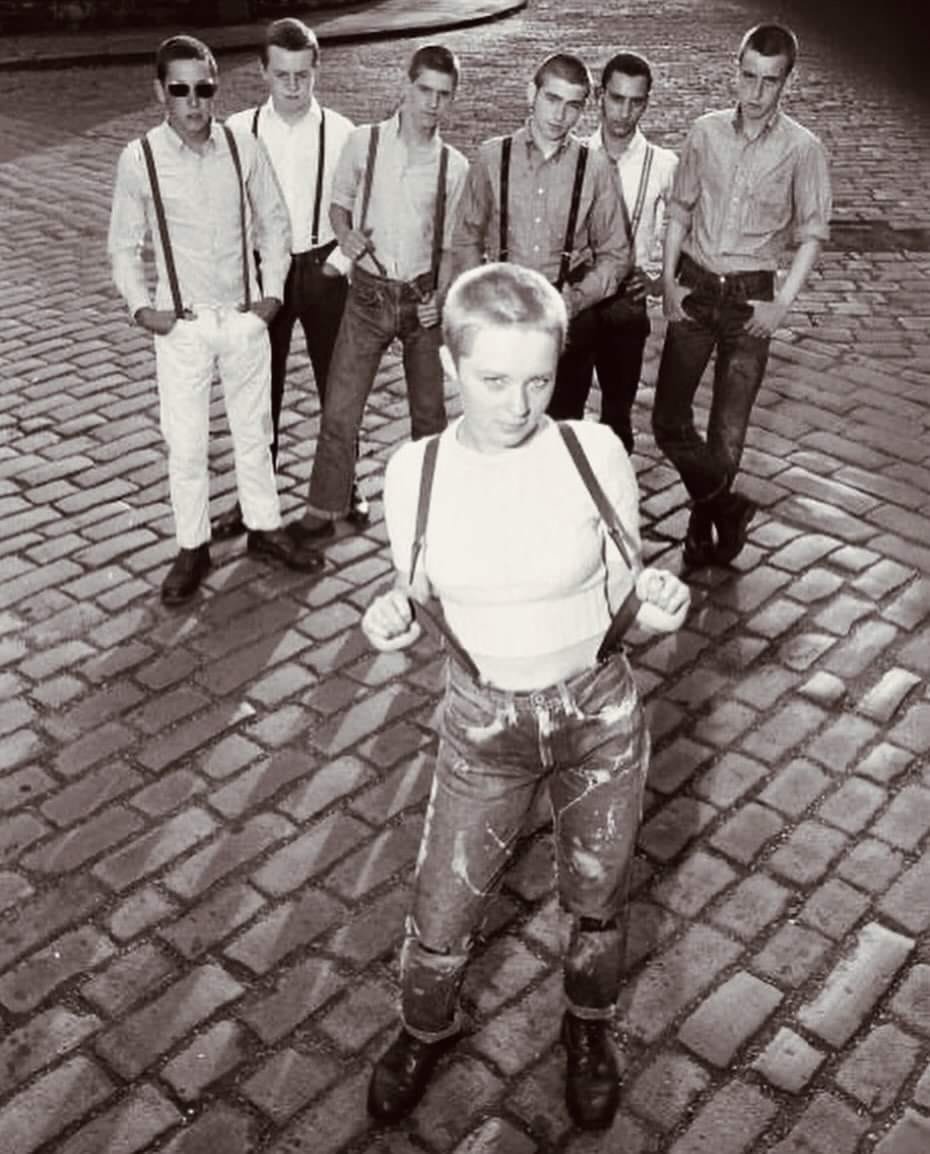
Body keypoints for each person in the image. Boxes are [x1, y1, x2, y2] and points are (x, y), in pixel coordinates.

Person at [361, 263, 690, 1130]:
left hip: (598, 717)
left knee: (599, 892)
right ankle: (423, 1027)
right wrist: (391, 621)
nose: (519, 403)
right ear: (450, 361)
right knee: (443, 905)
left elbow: (628, 597)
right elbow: (421, 598)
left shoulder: (594, 452)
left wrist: (656, 610)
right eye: (494, 379)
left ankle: (588, 1027)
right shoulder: (414, 474)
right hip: (484, 724)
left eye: (539, 378)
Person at [108, 34, 323, 605]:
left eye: (204, 88)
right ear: (161, 92)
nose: (194, 101)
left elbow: (274, 222)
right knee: (185, 443)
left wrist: (271, 297)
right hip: (181, 325)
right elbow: (123, 245)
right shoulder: (140, 158)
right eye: (180, 90)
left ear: (216, 89)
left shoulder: (241, 146)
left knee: (256, 432)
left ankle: (264, 527)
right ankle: (192, 544)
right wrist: (141, 308)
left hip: (243, 318)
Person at [652, 23, 831, 567]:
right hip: (697, 288)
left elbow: (812, 234)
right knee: (667, 420)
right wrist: (667, 281)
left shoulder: (803, 149)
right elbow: (679, 208)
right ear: (737, 69)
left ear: (786, 83)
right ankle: (727, 505)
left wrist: (782, 305)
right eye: (748, 77)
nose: (755, 93)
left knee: (728, 428)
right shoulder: (705, 132)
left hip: (753, 298)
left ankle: (704, 526)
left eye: (769, 82)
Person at [287, 44, 468, 544]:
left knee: (429, 416)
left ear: (452, 100)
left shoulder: (454, 167)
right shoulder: (364, 144)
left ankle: (429, 517)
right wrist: (344, 234)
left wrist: (443, 296)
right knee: (341, 409)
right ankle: (324, 507)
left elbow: (452, 248)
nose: (432, 104)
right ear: (405, 86)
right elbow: (339, 206)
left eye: (443, 95)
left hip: (421, 302)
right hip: (366, 298)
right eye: (424, 90)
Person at [213, 17, 368, 542]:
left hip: (323, 265)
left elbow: (360, 210)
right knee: (258, 390)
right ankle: (253, 494)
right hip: (264, 272)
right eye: (282, 75)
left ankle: (344, 487)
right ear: (263, 72)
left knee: (338, 387)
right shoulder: (239, 129)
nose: (294, 86)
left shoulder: (343, 131)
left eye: (303, 74)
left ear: (317, 69)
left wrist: (338, 266)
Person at [451, 51, 629, 423]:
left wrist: (577, 298)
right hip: (500, 315)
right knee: (499, 424)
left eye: (572, 105)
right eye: (552, 99)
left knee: (560, 427)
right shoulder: (491, 157)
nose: (559, 115)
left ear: (583, 110)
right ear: (531, 93)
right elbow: (467, 236)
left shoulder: (596, 168)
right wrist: (478, 297)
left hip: (566, 321)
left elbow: (616, 253)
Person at [581, 51, 678, 454]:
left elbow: (681, 227)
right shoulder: (577, 154)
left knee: (618, 417)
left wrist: (659, 279)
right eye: (616, 98)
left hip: (626, 304)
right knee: (564, 411)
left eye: (635, 101)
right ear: (600, 96)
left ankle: (615, 505)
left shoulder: (663, 163)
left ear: (646, 102)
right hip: (579, 299)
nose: (624, 111)